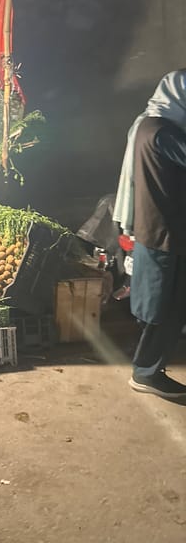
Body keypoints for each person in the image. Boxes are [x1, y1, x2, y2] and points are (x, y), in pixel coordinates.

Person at [114, 70, 186, 399]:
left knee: (164, 303)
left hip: (158, 229)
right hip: (164, 232)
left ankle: (149, 365)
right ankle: (146, 372)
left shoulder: (149, 123)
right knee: (165, 305)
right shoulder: (162, 132)